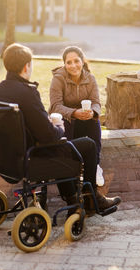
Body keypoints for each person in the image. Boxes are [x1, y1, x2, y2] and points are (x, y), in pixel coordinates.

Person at [0, 43, 121, 216]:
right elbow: (48, 135)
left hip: (5, 159)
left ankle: (82, 197)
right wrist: (59, 128)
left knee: (87, 130)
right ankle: (85, 198)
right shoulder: (28, 92)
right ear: (26, 66)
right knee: (88, 145)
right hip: (33, 156)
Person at [49, 46, 104, 186]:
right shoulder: (58, 79)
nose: (73, 65)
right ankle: (71, 166)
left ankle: (95, 166)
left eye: (76, 61)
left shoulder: (90, 78)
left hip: (85, 120)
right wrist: (74, 113)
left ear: (83, 61)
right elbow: (55, 106)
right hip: (67, 120)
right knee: (66, 123)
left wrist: (92, 111)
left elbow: (96, 103)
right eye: (69, 62)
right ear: (64, 64)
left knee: (94, 121)